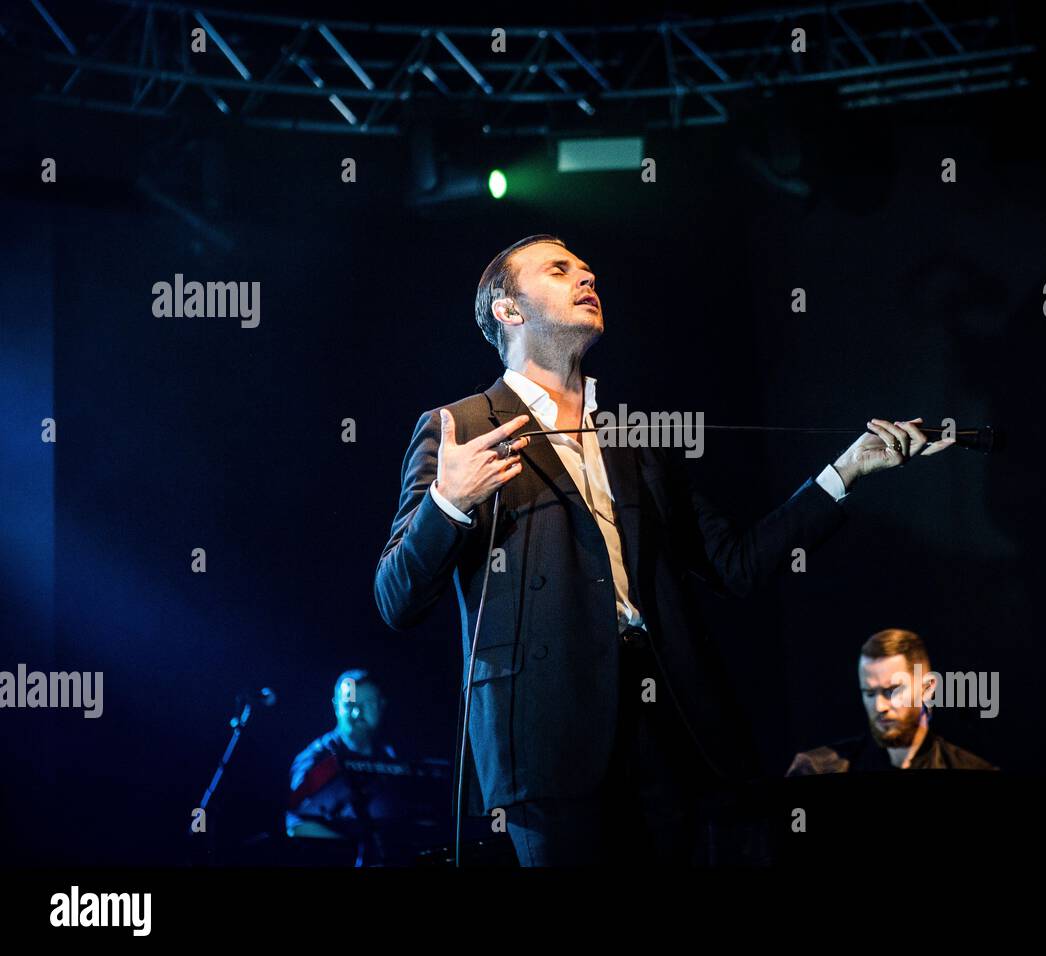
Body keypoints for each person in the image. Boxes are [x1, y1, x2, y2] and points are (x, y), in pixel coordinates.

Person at [374, 234, 954, 865]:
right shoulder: (463, 427)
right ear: (508, 310)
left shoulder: (636, 438)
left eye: (588, 269)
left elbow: (734, 564)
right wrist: (447, 502)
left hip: (671, 734)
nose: (586, 276)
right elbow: (395, 598)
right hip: (548, 743)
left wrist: (847, 471)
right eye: (560, 269)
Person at [786, 628, 995, 775]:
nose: (879, 706)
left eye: (892, 691)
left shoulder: (971, 768)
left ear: (928, 688)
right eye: (869, 693)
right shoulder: (816, 768)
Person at [286, 669, 399, 864]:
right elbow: (298, 824)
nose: (358, 713)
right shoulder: (317, 758)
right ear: (336, 706)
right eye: (350, 704)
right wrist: (360, 843)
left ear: (381, 706)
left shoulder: (390, 755)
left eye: (368, 704)